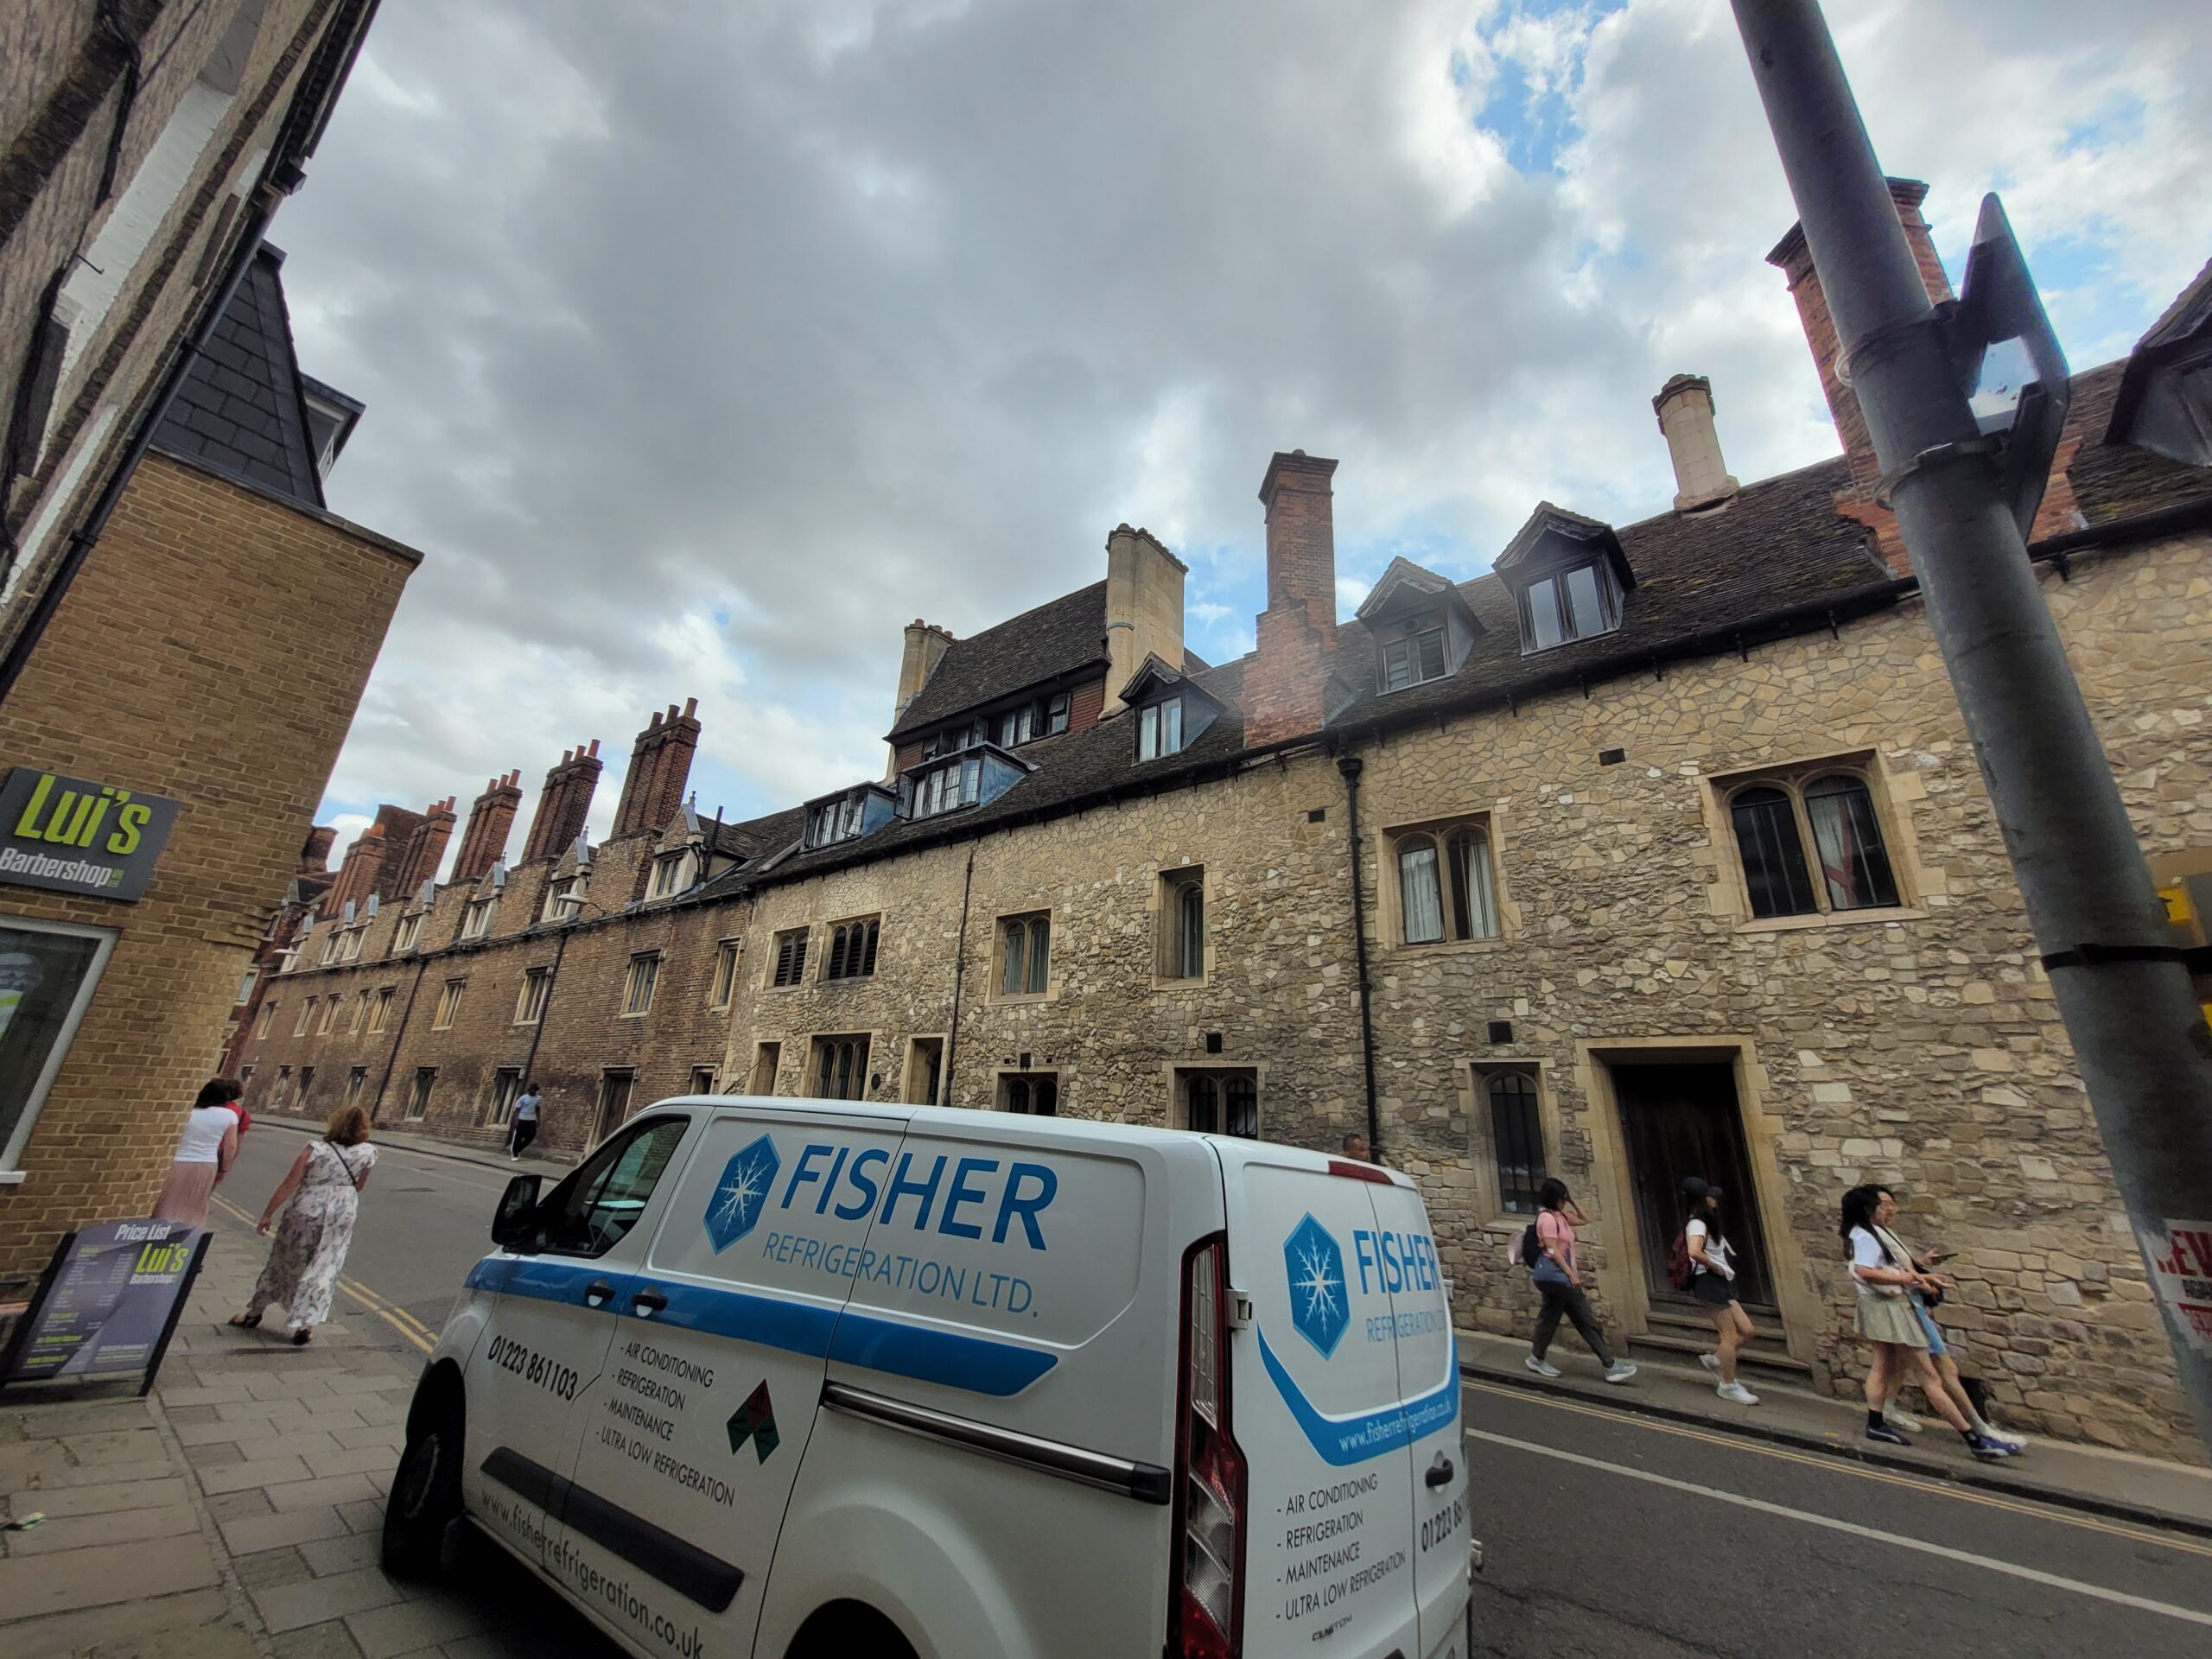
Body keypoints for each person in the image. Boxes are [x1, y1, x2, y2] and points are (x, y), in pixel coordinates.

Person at [1840, 1184, 2014, 1460]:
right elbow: (1864, 1271)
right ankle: (1975, 1440)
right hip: (1892, 1309)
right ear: (1867, 1208)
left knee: (1883, 1364)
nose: (1890, 1209)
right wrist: (1907, 1278)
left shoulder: (1868, 1233)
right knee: (1929, 1377)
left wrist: (1922, 1274)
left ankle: (1877, 1423)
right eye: (1883, 1204)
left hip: (1885, 1306)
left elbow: (1885, 1268)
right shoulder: (1866, 1236)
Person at [231, 1106, 378, 1345]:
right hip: (342, 1212)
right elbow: (359, 1185)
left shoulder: (316, 1149)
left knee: (285, 1260)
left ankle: (254, 1313)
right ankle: (306, 1325)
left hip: (307, 1209)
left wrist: (268, 1214)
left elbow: (289, 1183)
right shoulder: (368, 1152)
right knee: (324, 1267)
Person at [1524, 1179, 1637, 1384]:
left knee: (1552, 1319)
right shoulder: (1547, 1219)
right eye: (1562, 1197)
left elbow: (1585, 1219)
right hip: (1558, 1278)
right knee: (1584, 1320)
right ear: (1553, 1198)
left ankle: (1536, 1358)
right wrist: (1571, 1274)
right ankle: (1610, 1366)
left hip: (1562, 1279)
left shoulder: (1561, 1217)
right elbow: (1552, 1250)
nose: (1564, 1200)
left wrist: (1572, 1200)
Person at [1682, 1177, 1758, 1406]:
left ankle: (1717, 1360)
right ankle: (1728, 1385)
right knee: (1729, 1335)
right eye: (1711, 1196)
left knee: (1747, 1330)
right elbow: (1694, 1251)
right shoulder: (1697, 1224)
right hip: (1708, 1282)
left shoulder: (1705, 1222)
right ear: (1703, 1199)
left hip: (1719, 1283)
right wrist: (1714, 1266)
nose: (1715, 1199)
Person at [151, 1079, 242, 1227]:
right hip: (206, 1164)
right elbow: (231, 1146)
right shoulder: (229, 1115)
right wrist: (224, 1170)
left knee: (167, 1201)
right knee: (194, 1205)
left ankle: (158, 1231)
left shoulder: (189, 1112)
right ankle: (187, 1235)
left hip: (177, 1162)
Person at [508, 1082, 541, 1160]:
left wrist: (538, 1119)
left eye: (535, 1089)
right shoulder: (523, 1098)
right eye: (532, 1089)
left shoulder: (538, 1098)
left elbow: (538, 1109)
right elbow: (517, 1110)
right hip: (522, 1118)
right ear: (529, 1090)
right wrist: (516, 1120)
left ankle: (519, 1148)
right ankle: (515, 1154)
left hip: (532, 1119)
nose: (533, 1091)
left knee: (532, 1134)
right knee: (518, 1136)